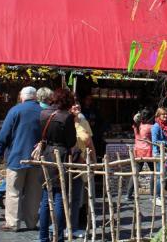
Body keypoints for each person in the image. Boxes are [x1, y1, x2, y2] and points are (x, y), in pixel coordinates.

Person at [0, 86, 43, 232]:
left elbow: (4, 134)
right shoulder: (43, 112)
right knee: (34, 193)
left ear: (22, 97)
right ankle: (31, 222)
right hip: (36, 159)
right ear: (35, 97)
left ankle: (12, 223)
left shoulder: (15, 110)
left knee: (13, 191)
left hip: (17, 156)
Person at [38, 89, 77, 242]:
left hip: (46, 153)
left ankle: (43, 236)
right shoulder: (67, 117)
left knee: (46, 197)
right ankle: (58, 236)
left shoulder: (43, 113)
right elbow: (71, 141)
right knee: (60, 196)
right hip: (59, 155)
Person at [69, 100, 96, 238]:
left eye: (78, 104)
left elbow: (90, 142)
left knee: (79, 197)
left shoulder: (83, 120)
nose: (77, 106)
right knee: (67, 195)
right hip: (69, 162)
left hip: (83, 163)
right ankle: (65, 225)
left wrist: (94, 161)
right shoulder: (67, 121)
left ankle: (75, 224)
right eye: (73, 104)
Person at [126, 109, 153, 201]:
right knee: (154, 172)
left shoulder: (136, 126)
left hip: (138, 151)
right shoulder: (150, 127)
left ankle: (128, 195)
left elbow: (135, 118)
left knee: (135, 173)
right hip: (148, 151)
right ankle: (152, 195)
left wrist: (139, 114)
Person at [151, 107, 167, 207]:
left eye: (166, 114)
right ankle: (157, 197)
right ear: (158, 115)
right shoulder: (156, 126)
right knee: (161, 175)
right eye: (163, 114)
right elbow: (154, 141)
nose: (165, 116)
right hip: (159, 153)